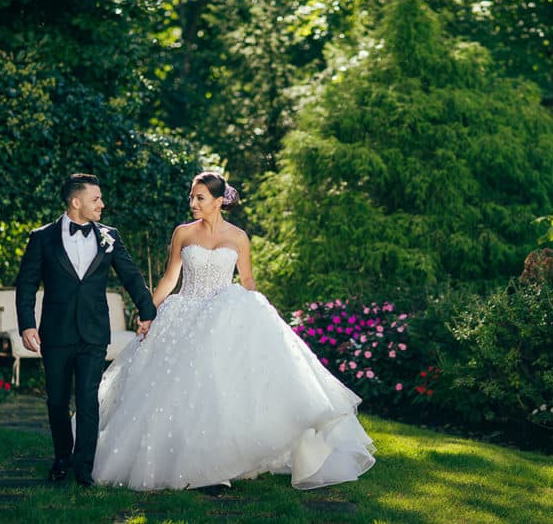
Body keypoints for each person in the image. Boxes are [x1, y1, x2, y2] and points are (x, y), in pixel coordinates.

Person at [91, 172, 376, 491]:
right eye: (191, 197)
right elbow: (171, 278)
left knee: (222, 384)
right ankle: (190, 458)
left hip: (223, 315)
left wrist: (260, 311)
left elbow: (248, 280)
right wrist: (149, 310)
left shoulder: (239, 237)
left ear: (218, 201)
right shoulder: (183, 233)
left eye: (200, 198)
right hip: (184, 311)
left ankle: (227, 457)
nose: (193, 203)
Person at [15, 173, 157, 487]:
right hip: (55, 333)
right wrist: (27, 324)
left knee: (88, 399)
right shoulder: (42, 237)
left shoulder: (110, 236)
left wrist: (148, 313)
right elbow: (26, 284)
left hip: (93, 332)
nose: (102, 205)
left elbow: (131, 276)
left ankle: (84, 467)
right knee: (56, 400)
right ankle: (62, 457)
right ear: (75, 201)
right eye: (96, 199)